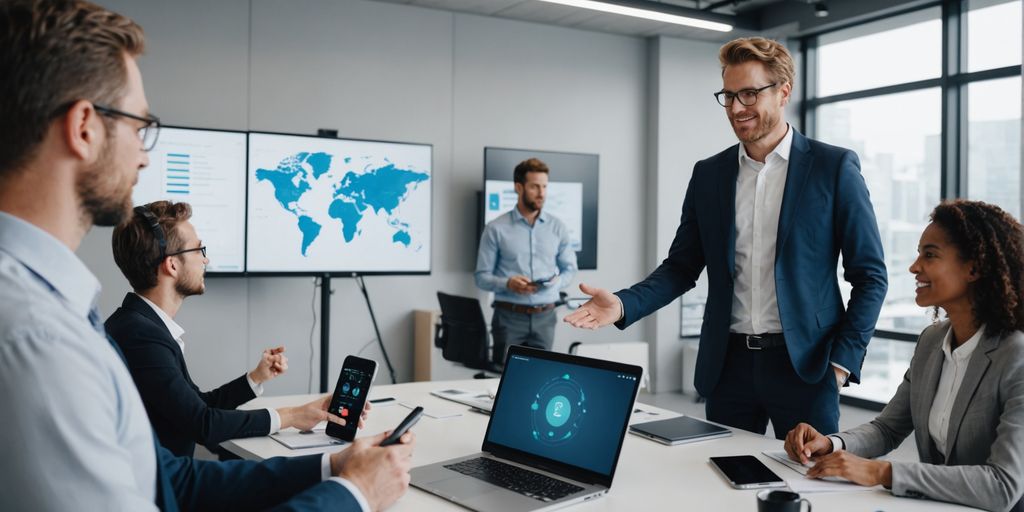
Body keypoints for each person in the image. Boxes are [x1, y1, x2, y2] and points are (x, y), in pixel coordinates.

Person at [0, 1, 413, 510]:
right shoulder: (38, 337)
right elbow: (195, 432)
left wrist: (334, 467)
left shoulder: (61, 310)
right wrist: (355, 495)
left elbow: (171, 478)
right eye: (138, 125)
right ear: (84, 126)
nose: (144, 154)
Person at [564, 37, 887, 439]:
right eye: (729, 96)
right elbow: (681, 267)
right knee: (717, 480)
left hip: (806, 367)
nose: (736, 108)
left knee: (807, 484)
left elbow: (870, 276)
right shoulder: (709, 174)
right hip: (728, 365)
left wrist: (841, 364)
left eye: (749, 93)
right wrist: (623, 305)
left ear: (784, 91)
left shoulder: (833, 168)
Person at [784, 200, 1024, 512]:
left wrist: (882, 472)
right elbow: (889, 428)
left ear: (973, 268)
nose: (914, 266)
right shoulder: (931, 341)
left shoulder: (1016, 357)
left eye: (930, 254)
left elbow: (1003, 485)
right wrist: (831, 444)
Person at [106, 200, 365, 457]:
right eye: (198, 250)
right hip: (165, 492)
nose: (206, 260)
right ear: (172, 265)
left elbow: (199, 406)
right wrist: (292, 416)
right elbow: (203, 424)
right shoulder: (141, 337)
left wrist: (256, 378)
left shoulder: (139, 326)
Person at [475, 157, 578, 356]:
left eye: (545, 187)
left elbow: (570, 269)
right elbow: (481, 277)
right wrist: (508, 283)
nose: (541, 193)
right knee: (505, 381)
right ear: (519, 188)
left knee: (541, 380)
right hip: (509, 318)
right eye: (535, 187)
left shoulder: (558, 227)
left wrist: (555, 283)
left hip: (546, 317)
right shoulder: (495, 228)